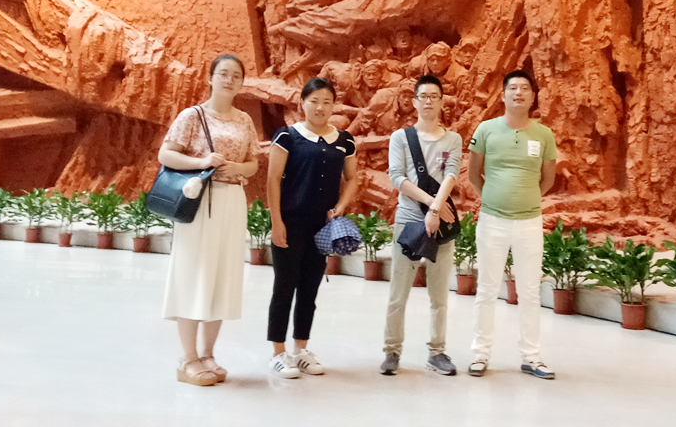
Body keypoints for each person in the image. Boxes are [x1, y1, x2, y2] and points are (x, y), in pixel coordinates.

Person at [159, 54, 261, 387]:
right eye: (223, 74)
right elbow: (166, 154)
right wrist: (203, 162)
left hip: (232, 200)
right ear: (210, 77)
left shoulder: (244, 120)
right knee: (194, 273)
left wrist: (238, 168)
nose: (229, 80)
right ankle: (188, 358)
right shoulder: (193, 115)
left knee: (222, 274)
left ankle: (208, 354)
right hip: (199, 201)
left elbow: (253, 163)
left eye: (236, 76)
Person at [466, 70, 557, 380]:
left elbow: (547, 179)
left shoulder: (544, 135)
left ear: (533, 96)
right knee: (487, 289)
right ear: (503, 95)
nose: (519, 93)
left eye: (525, 88)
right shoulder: (486, 130)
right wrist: (493, 199)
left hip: (530, 222)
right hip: (492, 221)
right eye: (513, 88)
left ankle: (531, 357)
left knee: (530, 291)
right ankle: (480, 355)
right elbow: (473, 174)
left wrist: (524, 200)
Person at [266, 77, 359, 378]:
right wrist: (277, 222)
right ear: (302, 103)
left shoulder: (344, 140)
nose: (320, 107)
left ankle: (301, 350)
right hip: (290, 223)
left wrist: (341, 206)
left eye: (326, 102)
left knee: (309, 289)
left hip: (322, 227)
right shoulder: (288, 136)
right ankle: (278, 353)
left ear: (333, 106)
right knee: (284, 287)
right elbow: (272, 180)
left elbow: (352, 178)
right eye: (314, 101)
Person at [380, 75, 462, 376]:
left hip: (441, 222)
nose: (428, 101)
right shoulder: (400, 138)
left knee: (439, 294)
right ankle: (391, 350)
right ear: (414, 101)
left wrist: (436, 210)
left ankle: (437, 352)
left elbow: (451, 175)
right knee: (398, 291)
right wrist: (431, 206)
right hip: (409, 219)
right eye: (423, 96)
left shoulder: (453, 140)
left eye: (434, 96)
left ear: (442, 102)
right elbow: (397, 178)